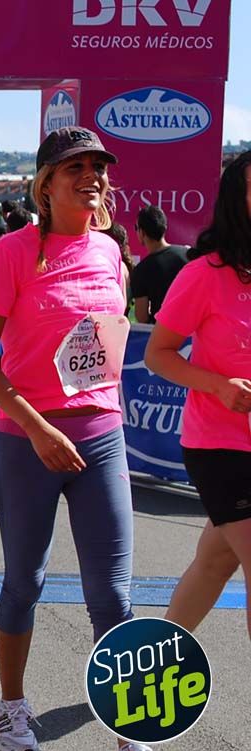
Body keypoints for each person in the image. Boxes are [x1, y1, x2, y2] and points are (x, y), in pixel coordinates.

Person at [0, 126, 184, 751]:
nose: (90, 175)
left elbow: (110, 342)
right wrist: (35, 427)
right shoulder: (11, 252)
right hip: (25, 440)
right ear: (46, 183)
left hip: (102, 436)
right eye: (75, 167)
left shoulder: (112, 254)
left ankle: (131, 750)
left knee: (113, 596)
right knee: (23, 583)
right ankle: (10, 702)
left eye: (97, 167)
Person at [149, 152, 251, 641]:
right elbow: (158, 354)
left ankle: (154, 663)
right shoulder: (203, 273)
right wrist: (220, 385)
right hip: (221, 446)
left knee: (216, 560)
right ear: (236, 200)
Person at [132, 205, 190, 324]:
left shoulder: (141, 270)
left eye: (136, 228)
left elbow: (141, 316)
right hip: (193, 329)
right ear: (164, 228)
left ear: (142, 232)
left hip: (162, 330)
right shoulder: (188, 255)